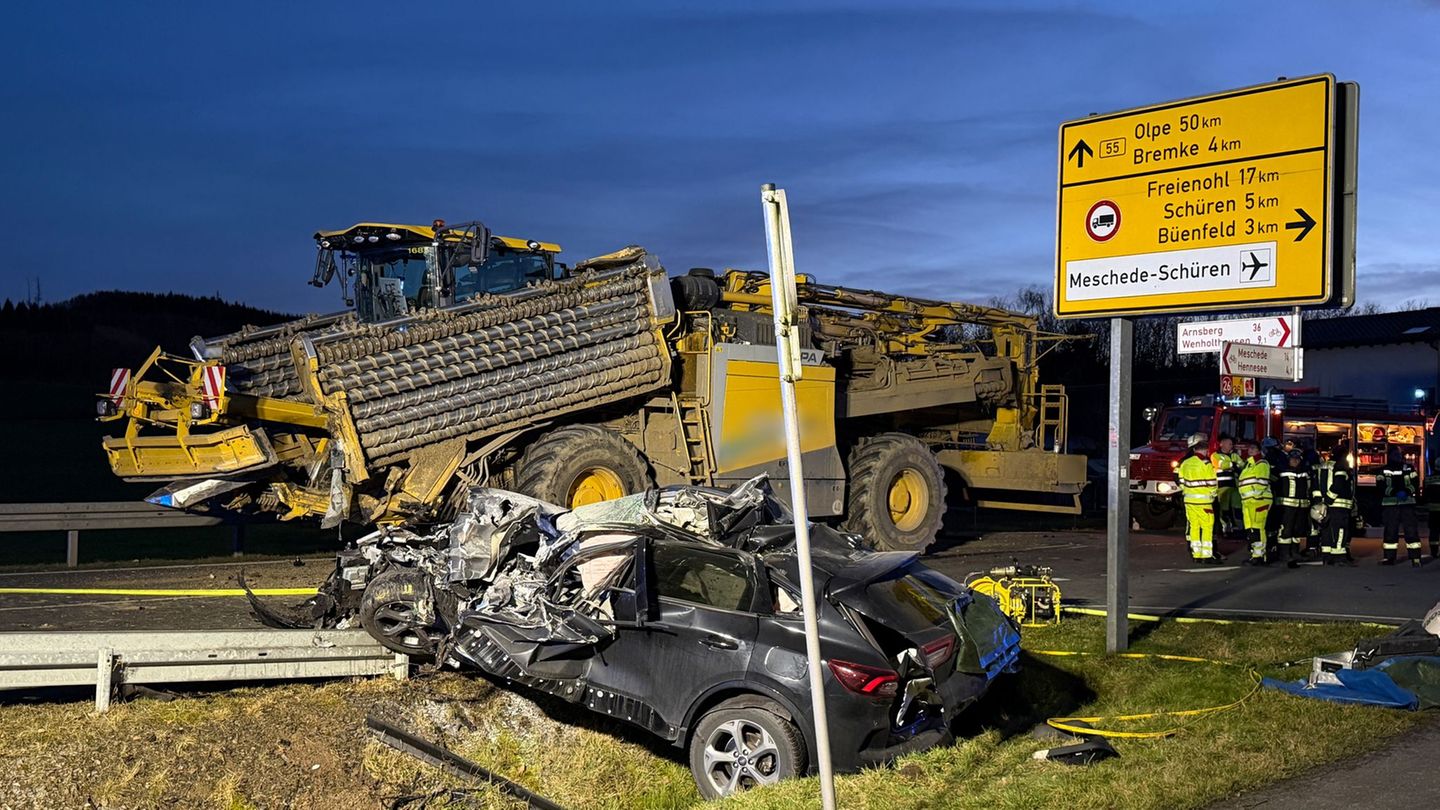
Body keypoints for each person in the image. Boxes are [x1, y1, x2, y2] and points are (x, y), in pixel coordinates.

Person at [1177, 433, 1221, 565]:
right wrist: (1212, 495)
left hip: (1189, 501)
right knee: (1207, 528)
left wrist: (1187, 492)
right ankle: (1206, 555)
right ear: (1205, 450)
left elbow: (1181, 481)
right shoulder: (1206, 463)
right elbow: (1212, 483)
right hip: (1204, 502)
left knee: (1194, 527)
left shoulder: (1185, 463)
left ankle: (1196, 554)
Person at [1313, 441, 1355, 566]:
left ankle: (1327, 556)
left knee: (1326, 530)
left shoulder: (1323, 466)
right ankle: (1339, 557)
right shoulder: (1341, 465)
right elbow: (1339, 484)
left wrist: (1321, 502)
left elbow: (1316, 485)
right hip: (1339, 505)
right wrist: (1329, 499)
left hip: (1325, 505)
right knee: (1340, 530)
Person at [1380, 447, 1421, 566]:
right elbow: (1381, 486)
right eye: (1395, 454)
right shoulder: (1384, 470)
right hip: (1391, 505)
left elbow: (1415, 483)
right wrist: (1395, 492)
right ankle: (1389, 558)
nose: (1397, 456)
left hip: (1407, 504)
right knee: (1390, 532)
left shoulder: (1409, 468)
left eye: (1398, 454)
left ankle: (1415, 558)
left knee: (1411, 531)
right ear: (1390, 455)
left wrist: (1407, 492)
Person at [1275, 448, 1313, 569]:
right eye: (1293, 459)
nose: (1295, 461)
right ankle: (1284, 553)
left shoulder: (1304, 472)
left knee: (1297, 531)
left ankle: (1295, 552)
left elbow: (1308, 488)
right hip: (1287, 507)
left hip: (1301, 506)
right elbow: (1277, 487)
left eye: (1297, 459)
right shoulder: (1282, 471)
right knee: (1286, 530)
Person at [1237, 443, 1272, 565]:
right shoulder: (1249, 464)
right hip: (1249, 501)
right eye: (1250, 448)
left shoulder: (1261, 463)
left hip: (1258, 500)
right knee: (1252, 528)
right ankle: (1256, 554)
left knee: (1257, 527)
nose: (1250, 450)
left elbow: (1262, 481)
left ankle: (1260, 555)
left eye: (1253, 448)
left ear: (1259, 451)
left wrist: (1255, 496)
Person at [1211, 434, 1242, 538]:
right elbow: (1222, 465)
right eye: (1229, 444)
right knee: (1223, 509)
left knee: (1236, 508)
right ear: (1221, 444)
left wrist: (1231, 465)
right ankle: (1225, 529)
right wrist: (1233, 465)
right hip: (1221, 487)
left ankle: (1237, 529)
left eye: (1232, 444)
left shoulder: (1235, 455)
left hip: (1234, 486)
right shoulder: (1215, 455)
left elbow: (1242, 465)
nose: (1231, 446)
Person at [1425, 457, 1440, 559]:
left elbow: (1425, 496)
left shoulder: (1428, 479)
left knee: (1434, 532)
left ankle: (1434, 552)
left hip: (1433, 510)